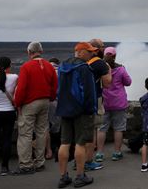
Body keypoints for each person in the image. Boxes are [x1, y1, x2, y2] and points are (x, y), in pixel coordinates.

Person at [56, 42, 98, 188]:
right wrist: (91, 109)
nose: (92, 54)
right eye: (89, 51)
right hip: (81, 111)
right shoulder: (84, 68)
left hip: (64, 109)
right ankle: (80, 176)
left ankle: (63, 177)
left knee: (65, 142)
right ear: (80, 52)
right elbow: (89, 92)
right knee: (81, 143)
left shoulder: (62, 66)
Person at [13, 41, 58, 175]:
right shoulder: (49, 66)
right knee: (41, 131)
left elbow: (21, 88)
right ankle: (40, 162)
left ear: (29, 52)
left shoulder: (26, 67)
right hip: (45, 101)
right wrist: (50, 98)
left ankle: (26, 164)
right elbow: (54, 85)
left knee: (25, 133)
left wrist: (18, 104)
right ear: (41, 51)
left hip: (30, 103)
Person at [96, 47, 132, 162]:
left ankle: (99, 153)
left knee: (102, 128)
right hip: (119, 103)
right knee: (119, 128)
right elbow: (128, 82)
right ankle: (116, 152)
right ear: (115, 56)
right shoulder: (121, 69)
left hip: (105, 102)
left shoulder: (101, 69)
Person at [84, 39, 111, 171]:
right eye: (102, 46)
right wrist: (109, 70)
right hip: (94, 100)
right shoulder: (99, 63)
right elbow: (107, 83)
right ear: (95, 48)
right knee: (92, 131)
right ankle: (88, 161)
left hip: (79, 101)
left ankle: (78, 159)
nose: (103, 48)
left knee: (80, 132)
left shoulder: (81, 62)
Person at [46, 58, 61, 162]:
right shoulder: (61, 72)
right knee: (57, 126)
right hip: (58, 101)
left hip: (46, 101)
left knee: (46, 126)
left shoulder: (46, 71)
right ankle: (57, 148)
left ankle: (48, 150)